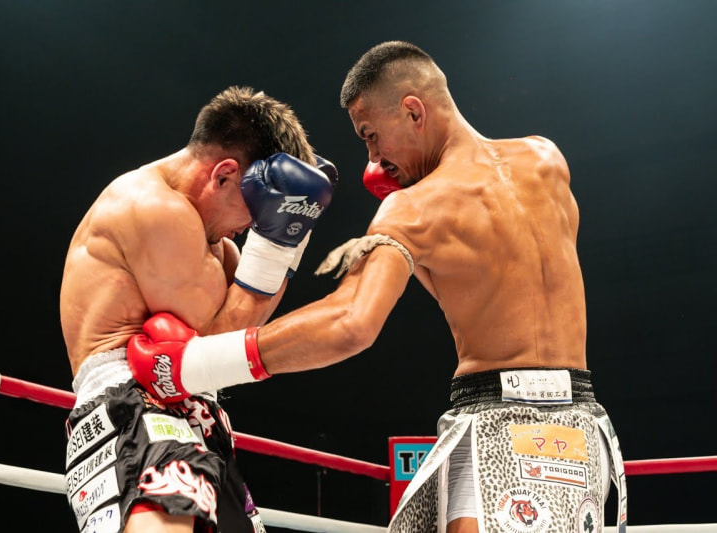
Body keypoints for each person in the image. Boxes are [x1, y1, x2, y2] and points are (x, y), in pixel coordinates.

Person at [126, 42, 627, 533]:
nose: (373, 157)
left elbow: (350, 322)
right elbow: (494, 280)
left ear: (413, 111)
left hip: (504, 431)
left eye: (370, 135)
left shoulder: (414, 208)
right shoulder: (546, 160)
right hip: (581, 425)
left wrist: (194, 364)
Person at [59, 85, 337, 533]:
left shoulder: (216, 242)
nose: (254, 225)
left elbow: (243, 330)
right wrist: (276, 244)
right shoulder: (155, 209)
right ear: (225, 174)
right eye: (258, 208)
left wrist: (290, 240)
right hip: (133, 407)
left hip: (196, 415)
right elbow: (213, 348)